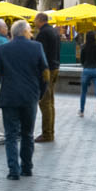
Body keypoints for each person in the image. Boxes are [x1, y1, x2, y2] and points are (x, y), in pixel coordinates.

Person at [0, 20, 49, 180]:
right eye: (30, 31)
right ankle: (27, 168)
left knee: (10, 136)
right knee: (27, 134)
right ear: (24, 31)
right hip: (30, 97)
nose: (31, 33)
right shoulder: (37, 47)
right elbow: (45, 74)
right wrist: (40, 93)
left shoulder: (3, 49)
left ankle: (13, 170)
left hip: (9, 98)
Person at [34, 12, 61, 142]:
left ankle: (47, 134)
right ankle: (50, 131)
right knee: (50, 102)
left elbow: (40, 54)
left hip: (47, 70)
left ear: (40, 20)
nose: (34, 22)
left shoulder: (43, 33)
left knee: (45, 102)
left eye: (35, 20)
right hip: (55, 67)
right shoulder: (54, 32)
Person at [78, 30, 96, 118]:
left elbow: (82, 60)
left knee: (83, 92)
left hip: (86, 69)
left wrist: (85, 65)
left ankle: (82, 111)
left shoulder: (84, 47)